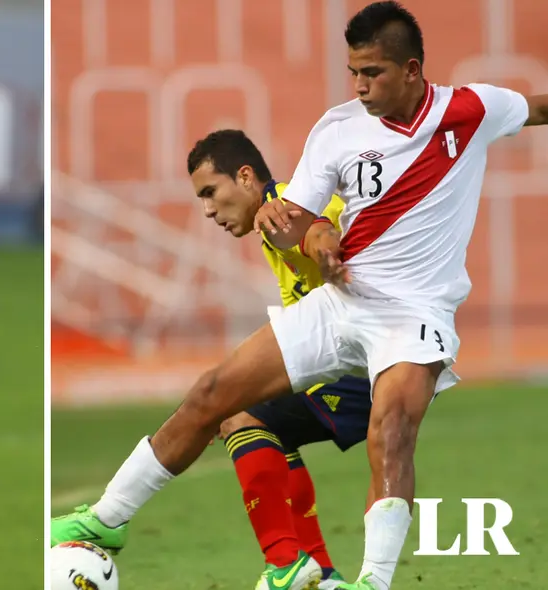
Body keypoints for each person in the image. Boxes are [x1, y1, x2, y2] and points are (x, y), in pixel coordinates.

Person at [50, 2, 548, 589]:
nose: (359, 86)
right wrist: (317, 237)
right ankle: (108, 520)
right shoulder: (337, 130)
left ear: (412, 70)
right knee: (214, 394)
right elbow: (289, 216)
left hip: (415, 316)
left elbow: (538, 107)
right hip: (342, 304)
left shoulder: (473, 110)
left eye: (373, 73)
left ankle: (371, 582)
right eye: (353, 72)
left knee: (391, 430)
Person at [51, 129, 370, 589]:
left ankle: (284, 564)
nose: (207, 210)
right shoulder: (281, 213)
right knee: (262, 428)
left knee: (231, 412)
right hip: (359, 355)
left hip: (365, 359)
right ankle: (320, 574)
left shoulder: (278, 209)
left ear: (244, 177)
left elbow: (315, 232)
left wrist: (326, 250)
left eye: (210, 192)